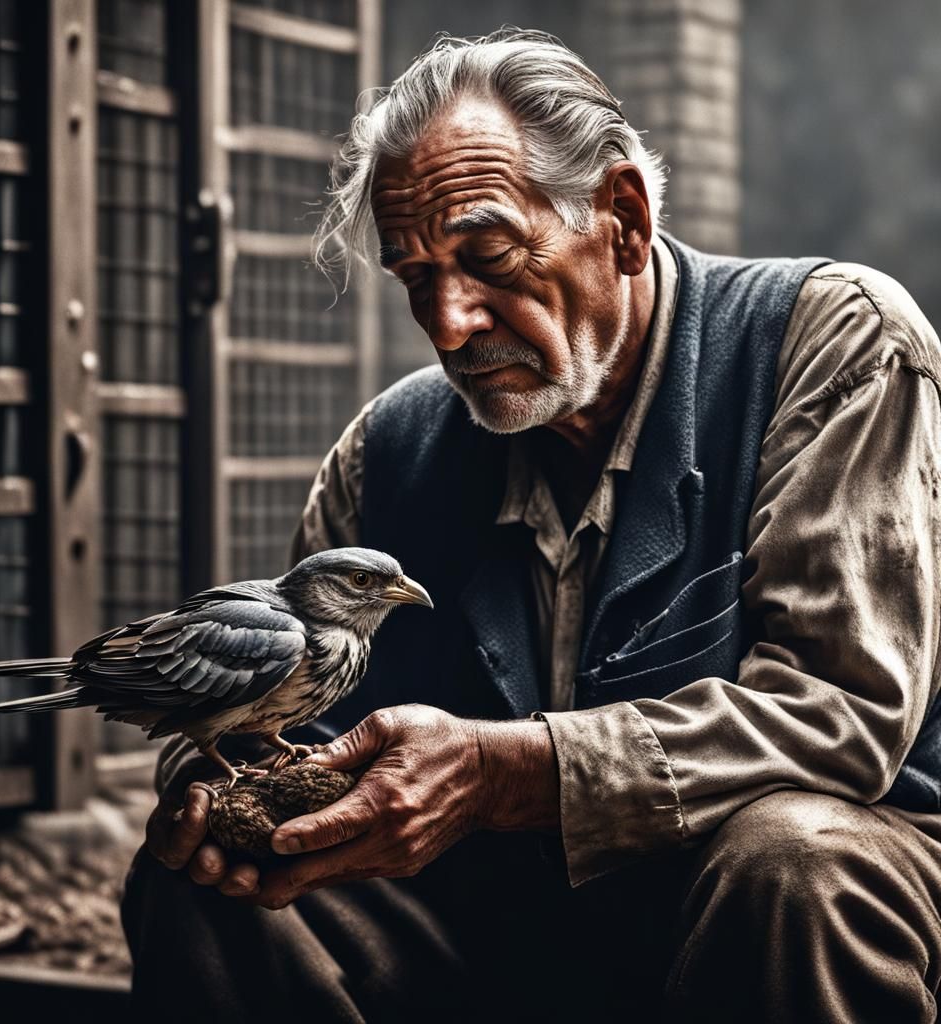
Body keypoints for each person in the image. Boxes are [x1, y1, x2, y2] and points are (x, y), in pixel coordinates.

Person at [122, 29, 941, 1023]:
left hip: (759, 901)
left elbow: (836, 712)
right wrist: (224, 796)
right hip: (503, 923)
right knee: (209, 890)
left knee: (793, 860)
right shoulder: (389, 447)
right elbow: (286, 724)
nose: (451, 321)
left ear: (625, 220)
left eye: (488, 256)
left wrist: (507, 771)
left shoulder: (830, 343)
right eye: (416, 275)